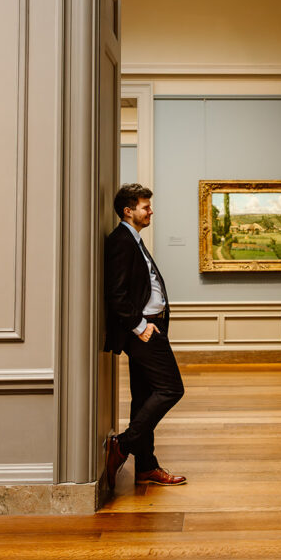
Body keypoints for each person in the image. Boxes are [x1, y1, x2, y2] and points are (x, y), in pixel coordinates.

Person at [102, 183, 186, 490]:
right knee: (171, 389)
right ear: (128, 211)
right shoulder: (121, 242)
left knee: (142, 398)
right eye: (145, 207)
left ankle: (146, 467)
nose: (150, 211)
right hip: (143, 332)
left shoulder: (133, 240)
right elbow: (116, 293)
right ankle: (122, 445)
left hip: (151, 327)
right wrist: (140, 326)